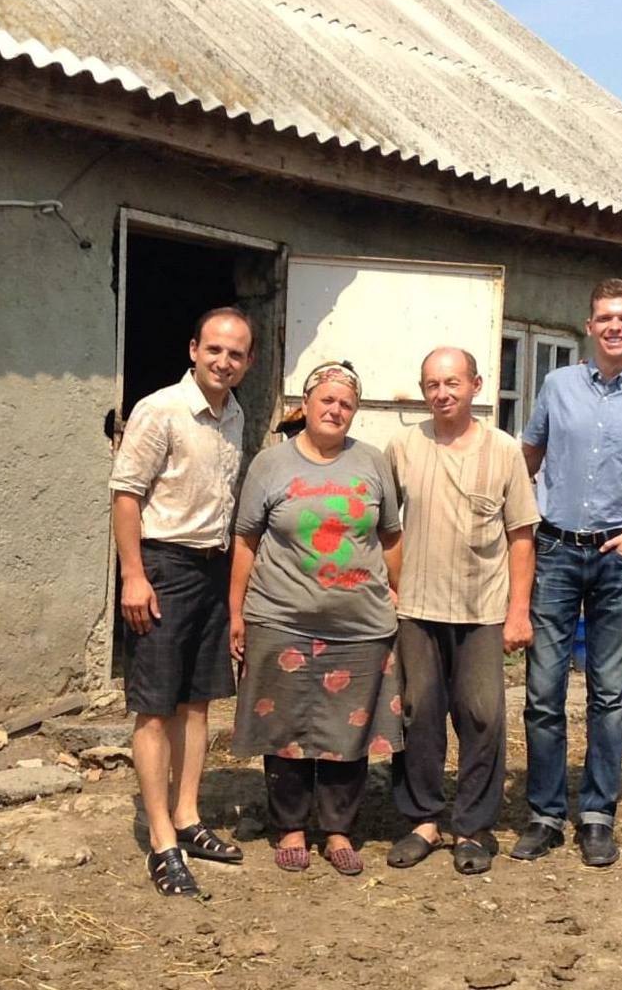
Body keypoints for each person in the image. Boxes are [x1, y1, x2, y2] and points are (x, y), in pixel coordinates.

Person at [513, 279, 622, 867]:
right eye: (604, 317)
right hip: (556, 553)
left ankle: (596, 814)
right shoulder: (557, 385)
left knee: (608, 695)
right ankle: (543, 813)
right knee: (543, 692)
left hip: (620, 559)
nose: (614, 326)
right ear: (590, 325)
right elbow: (528, 461)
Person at [227, 362, 404, 877]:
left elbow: (390, 536)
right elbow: (245, 540)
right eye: (326, 400)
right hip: (280, 617)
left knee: (347, 731)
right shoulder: (271, 464)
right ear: (306, 404)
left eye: (346, 404)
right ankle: (291, 826)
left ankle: (339, 829)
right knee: (283, 725)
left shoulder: (371, 462)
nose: (336, 410)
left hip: (360, 625)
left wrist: (398, 590)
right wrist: (235, 611)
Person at [110, 307, 256, 898]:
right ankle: (162, 841)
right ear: (194, 348)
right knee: (154, 705)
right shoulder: (161, 409)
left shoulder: (235, 415)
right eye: (215, 349)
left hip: (211, 566)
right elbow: (125, 496)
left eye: (236, 354)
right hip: (163, 566)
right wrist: (133, 577)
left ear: (246, 362)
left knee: (197, 701)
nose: (224, 361)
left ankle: (190, 817)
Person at [384, 348, 539, 875]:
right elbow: (384, 525)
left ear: (476, 385)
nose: (442, 393)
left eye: (452, 382)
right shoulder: (404, 446)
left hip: (482, 609)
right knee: (417, 714)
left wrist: (519, 610)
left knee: (482, 715)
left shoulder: (503, 451)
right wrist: (389, 587)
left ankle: (473, 825)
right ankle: (422, 819)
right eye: (432, 384)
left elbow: (522, 536)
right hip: (417, 607)